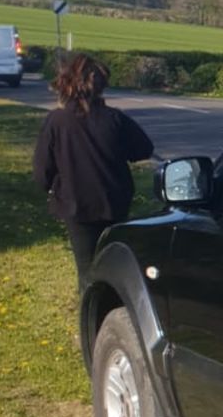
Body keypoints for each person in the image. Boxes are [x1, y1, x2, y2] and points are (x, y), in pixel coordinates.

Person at [32, 56, 155, 284]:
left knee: (87, 269)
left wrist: (51, 188)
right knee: (114, 263)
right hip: (114, 201)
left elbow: (42, 171)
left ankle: (91, 312)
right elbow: (144, 148)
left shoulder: (57, 121)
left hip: (75, 204)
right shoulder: (114, 119)